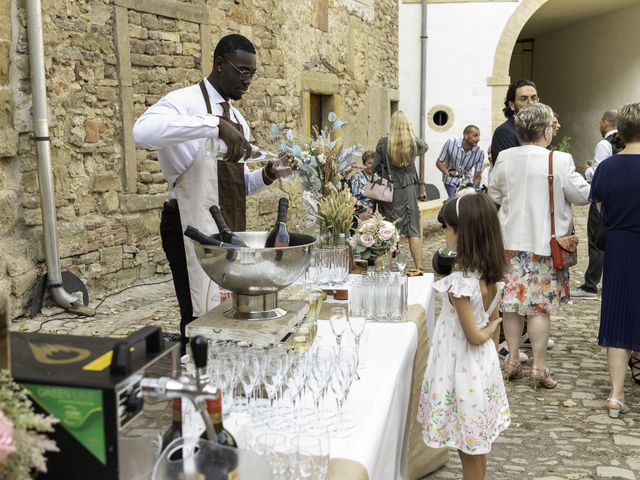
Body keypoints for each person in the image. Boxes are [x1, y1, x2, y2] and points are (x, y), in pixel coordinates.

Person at [132, 34, 287, 349]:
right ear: (220, 64)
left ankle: (224, 379)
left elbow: (235, 185)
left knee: (229, 313)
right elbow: (141, 133)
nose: (248, 81)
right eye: (242, 71)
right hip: (189, 227)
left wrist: (270, 174)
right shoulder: (184, 102)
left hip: (228, 226)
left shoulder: (238, 118)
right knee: (199, 315)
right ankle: (198, 381)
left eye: (252, 74)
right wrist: (212, 124)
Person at [488, 103, 590, 389]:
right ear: (546, 131)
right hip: (545, 246)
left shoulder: (505, 157)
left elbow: (494, 192)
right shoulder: (559, 160)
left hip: (509, 243)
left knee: (511, 306)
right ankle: (539, 367)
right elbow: (581, 195)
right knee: (538, 309)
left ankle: (511, 362)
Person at [418, 193, 510, 480]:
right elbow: (491, 325)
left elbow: (473, 335)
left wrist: (490, 330)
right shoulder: (489, 276)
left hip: (460, 372)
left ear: (463, 233)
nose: (444, 231)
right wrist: (492, 336)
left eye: (446, 226)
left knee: (468, 452)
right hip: (481, 369)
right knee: (478, 447)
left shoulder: (460, 283)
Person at [589, 102, 640, 417]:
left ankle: (616, 394)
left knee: (618, 315)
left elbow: (599, 212)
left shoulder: (606, 168)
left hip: (620, 246)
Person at [571, 110, 620, 299]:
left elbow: (600, 172)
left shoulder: (605, 143)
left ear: (606, 122)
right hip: (619, 198)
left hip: (602, 198)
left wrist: (588, 170)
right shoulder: (624, 141)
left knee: (596, 240)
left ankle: (590, 285)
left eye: (600, 122)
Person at [374, 111, 427, 273]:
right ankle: (419, 267)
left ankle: (389, 268)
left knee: (388, 229)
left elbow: (375, 167)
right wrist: (409, 133)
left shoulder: (383, 143)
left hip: (390, 191)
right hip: (409, 189)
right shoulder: (413, 143)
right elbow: (424, 147)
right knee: (413, 229)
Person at [490, 79, 539, 162]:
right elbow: (507, 170)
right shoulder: (504, 132)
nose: (530, 103)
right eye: (524, 99)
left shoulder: (540, 130)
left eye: (534, 98)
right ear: (512, 105)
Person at [435, 125, 484, 198]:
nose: (478, 139)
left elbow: (477, 176)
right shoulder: (451, 143)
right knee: (455, 201)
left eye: (479, 136)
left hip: (467, 181)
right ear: (466, 135)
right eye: (475, 136)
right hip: (450, 180)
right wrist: (447, 173)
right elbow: (439, 162)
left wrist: (474, 190)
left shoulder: (480, 153)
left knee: (466, 203)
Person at [349, 150, 376, 220]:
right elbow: (354, 199)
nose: (372, 166)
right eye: (369, 163)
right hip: (361, 215)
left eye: (374, 163)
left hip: (374, 214)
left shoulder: (376, 177)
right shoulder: (356, 178)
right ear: (364, 164)